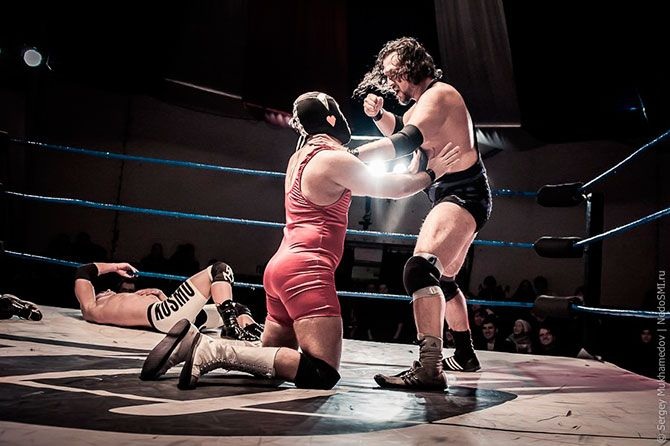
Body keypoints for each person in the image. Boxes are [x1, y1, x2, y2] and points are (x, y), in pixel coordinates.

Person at [140, 91, 462, 390]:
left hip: (280, 269)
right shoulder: (333, 160)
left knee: (269, 363)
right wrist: (432, 173)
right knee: (322, 372)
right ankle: (210, 348)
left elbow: (365, 157)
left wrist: (410, 152)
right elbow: (395, 189)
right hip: (308, 271)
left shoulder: (300, 157)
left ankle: (192, 345)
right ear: (332, 119)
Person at [350, 37, 492, 389]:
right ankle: (465, 354)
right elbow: (404, 129)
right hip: (458, 194)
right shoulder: (420, 105)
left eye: (392, 73)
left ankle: (430, 368)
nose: (389, 81)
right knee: (444, 281)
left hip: (462, 194)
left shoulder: (440, 95)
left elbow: (406, 141)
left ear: (410, 68)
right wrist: (378, 115)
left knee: (419, 269)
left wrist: (349, 156)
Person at [73, 261, 261, 340]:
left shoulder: (118, 301)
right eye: (104, 291)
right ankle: (231, 329)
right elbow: (84, 271)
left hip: (170, 314)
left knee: (237, 307)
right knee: (219, 269)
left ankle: (251, 329)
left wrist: (161, 295)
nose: (108, 290)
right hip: (164, 315)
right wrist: (115, 267)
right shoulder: (93, 307)